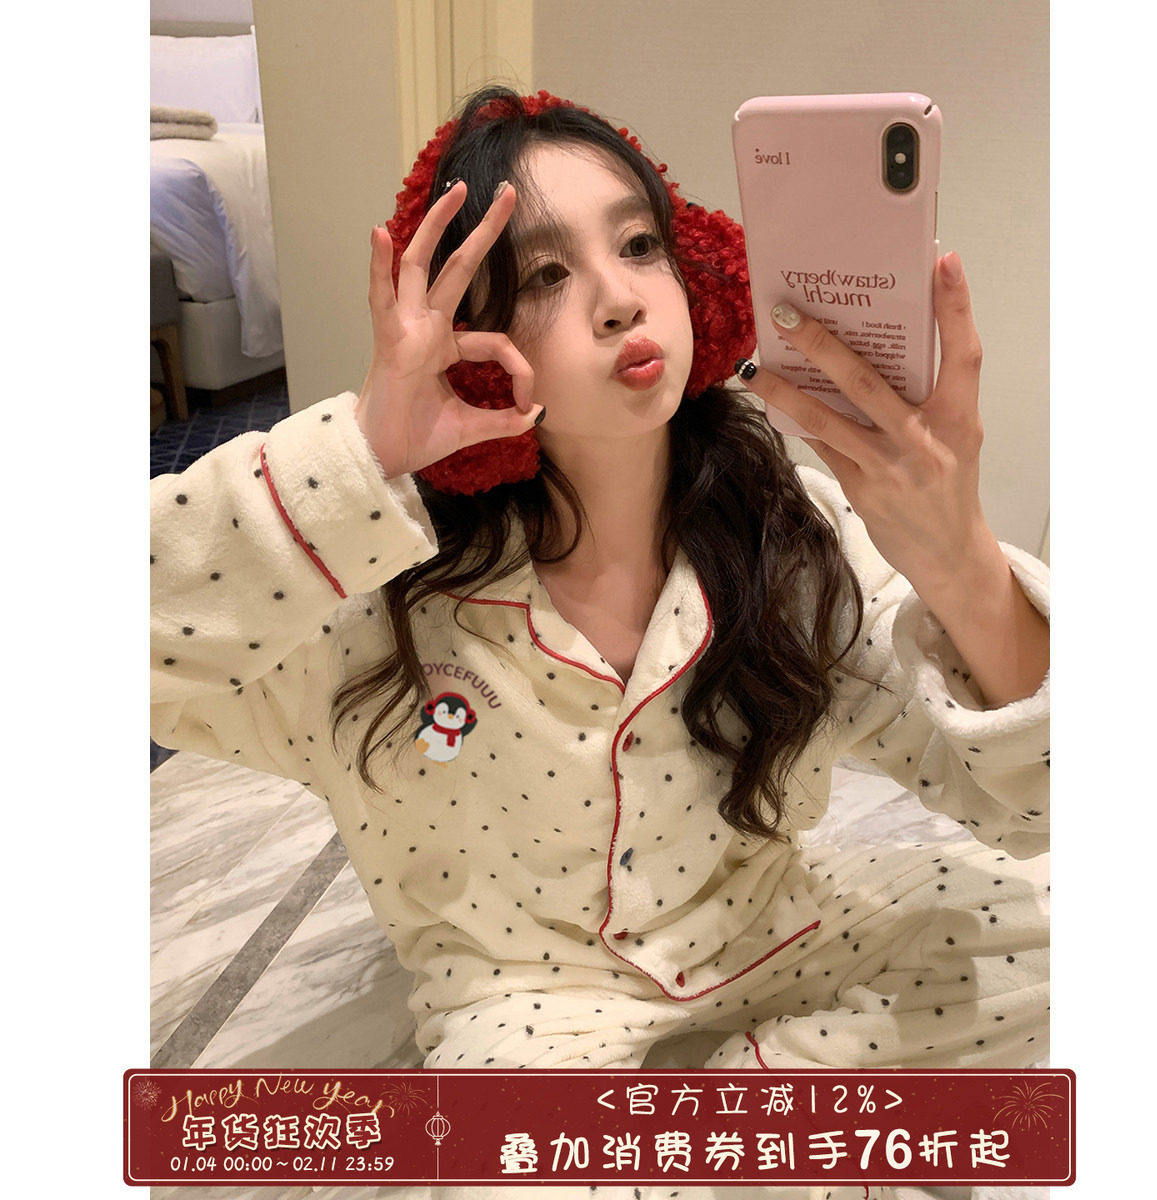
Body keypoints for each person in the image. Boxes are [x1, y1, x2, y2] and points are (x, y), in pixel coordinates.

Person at [151, 84, 1049, 1122]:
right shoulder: (373, 585)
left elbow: (1035, 805)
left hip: (775, 938)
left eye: (638, 245)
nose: (619, 298)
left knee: (1056, 941)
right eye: (544, 272)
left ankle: (743, 1118)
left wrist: (960, 563)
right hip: (526, 1007)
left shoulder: (787, 528)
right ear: (466, 336)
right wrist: (360, 455)